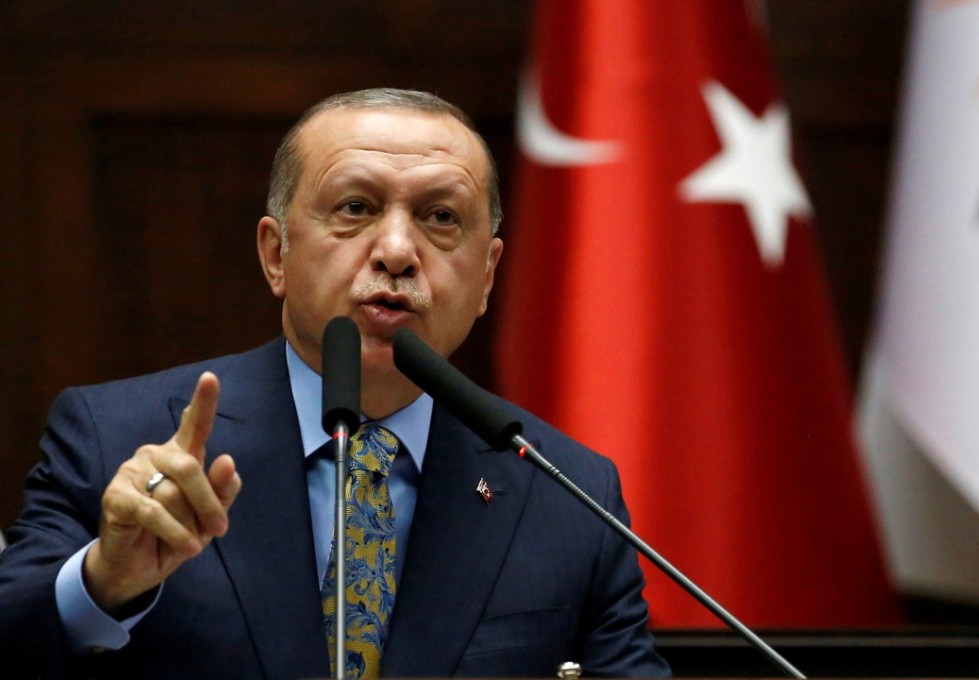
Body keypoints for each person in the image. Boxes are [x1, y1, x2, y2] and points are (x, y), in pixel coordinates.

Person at [0, 88, 671, 679]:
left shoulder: (570, 495)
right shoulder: (114, 437)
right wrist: (102, 583)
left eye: (442, 217)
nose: (399, 251)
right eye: (356, 206)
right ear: (276, 254)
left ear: (488, 275)